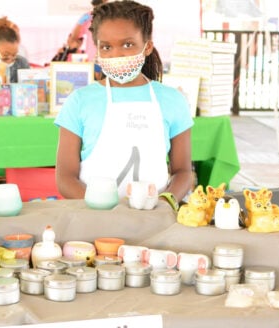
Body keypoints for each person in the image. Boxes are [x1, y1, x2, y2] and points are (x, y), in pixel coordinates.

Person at [54, 0, 193, 211]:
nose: (116, 54)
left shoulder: (172, 100)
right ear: (97, 51)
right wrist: (105, 209)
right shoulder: (80, 101)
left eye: (127, 44)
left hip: (154, 217)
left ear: (147, 47)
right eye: (106, 47)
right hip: (93, 219)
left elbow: (183, 171)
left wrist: (164, 202)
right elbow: (65, 178)